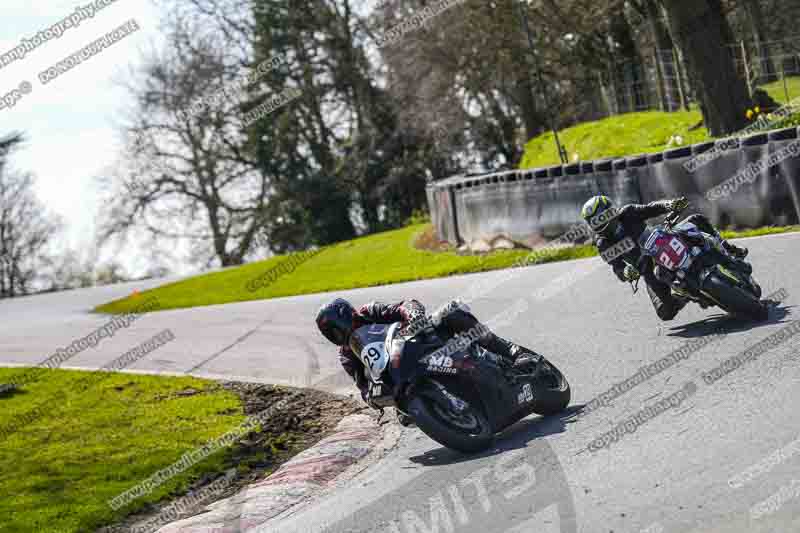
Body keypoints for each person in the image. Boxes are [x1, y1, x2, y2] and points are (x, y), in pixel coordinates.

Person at [315, 298, 539, 423]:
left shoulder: (370, 311)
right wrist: (373, 397)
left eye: (335, 329)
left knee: (451, 312)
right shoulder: (346, 355)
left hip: (419, 341)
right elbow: (362, 386)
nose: (336, 335)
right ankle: (446, 409)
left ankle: (511, 352)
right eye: (330, 334)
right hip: (401, 374)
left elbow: (404, 305)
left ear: (347, 315)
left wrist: (413, 316)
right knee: (404, 417)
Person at [580, 195, 751, 321]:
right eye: (595, 222)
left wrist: (670, 204)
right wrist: (626, 272)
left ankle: (728, 249)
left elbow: (651, 207)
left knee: (696, 221)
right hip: (648, 268)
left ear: (611, 211)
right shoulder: (604, 244)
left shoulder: (628, 213)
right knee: (665, 312)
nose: (602, 224)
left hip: (663, 240)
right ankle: (684, 295)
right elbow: (616, 267)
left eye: (602, 218)